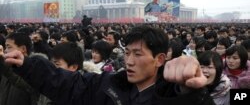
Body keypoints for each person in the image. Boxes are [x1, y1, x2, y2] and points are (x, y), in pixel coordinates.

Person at [3, 25, 214, 105]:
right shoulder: (107, 84)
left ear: (159, 59)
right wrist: (28, 65)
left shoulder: (173, 95)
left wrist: (192, 95)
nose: (129, 61)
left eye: (138, 54)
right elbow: (65, 82)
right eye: (127, 53)